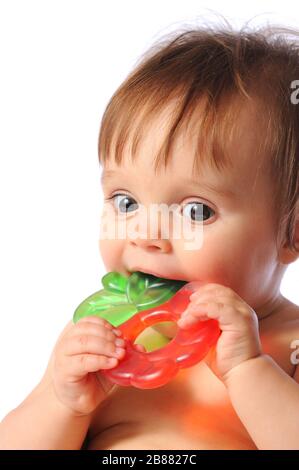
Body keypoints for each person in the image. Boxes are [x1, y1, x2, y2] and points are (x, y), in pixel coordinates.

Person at [1, 20, 299, 450]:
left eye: (196, 210)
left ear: (291, 231)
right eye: (125, 202)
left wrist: (248, 370)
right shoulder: (104, 339)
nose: (146, 234)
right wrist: (62, 403)